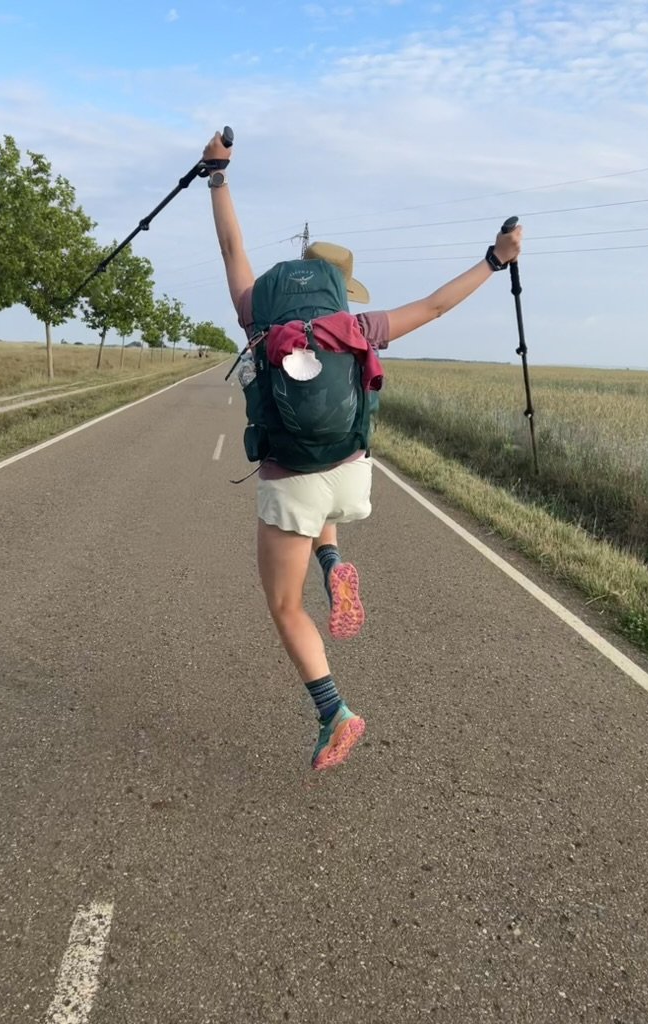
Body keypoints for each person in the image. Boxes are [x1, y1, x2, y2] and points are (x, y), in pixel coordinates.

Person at [203, 131, 522, 771]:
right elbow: (435, 305)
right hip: (352, 474)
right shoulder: (362, 329)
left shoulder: (258, 317)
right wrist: (494, 258)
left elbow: (233, 247)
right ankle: (333, 564)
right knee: (321, 485)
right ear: (340, 289)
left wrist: (218, 175)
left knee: (283, 606)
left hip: (292, 481)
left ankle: (333, 712)